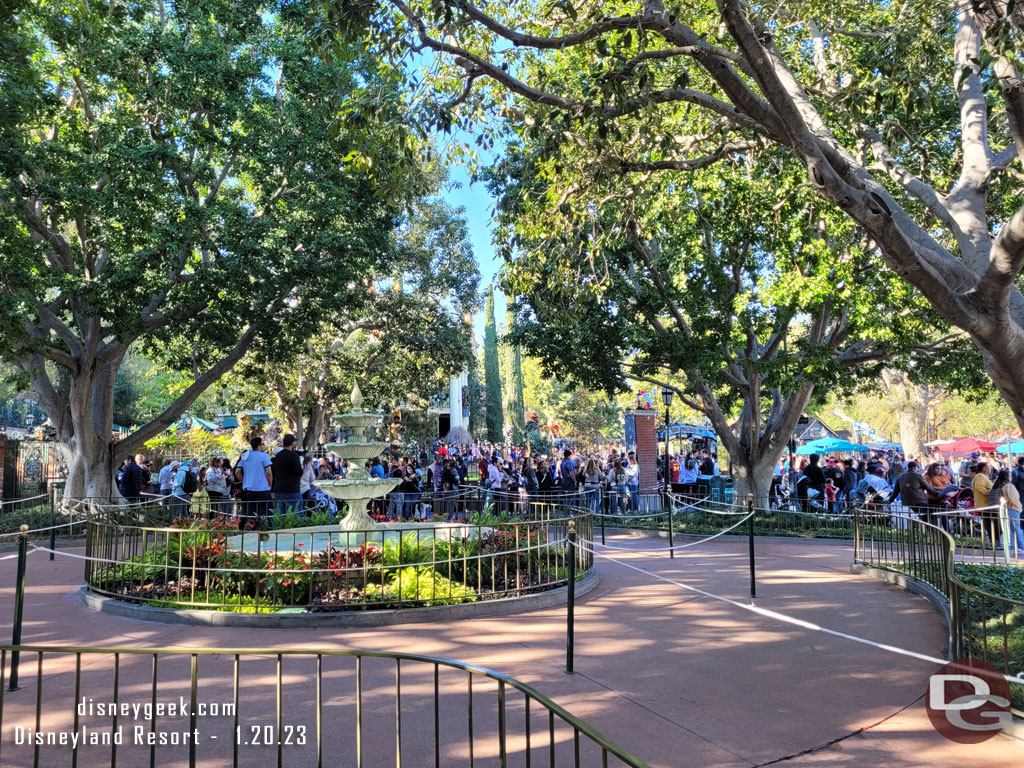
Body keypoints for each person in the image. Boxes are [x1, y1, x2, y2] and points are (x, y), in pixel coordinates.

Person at [235, 436, 273, 530]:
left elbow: (237, 471)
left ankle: (251, 530)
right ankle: (268, 530)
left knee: (251, 514)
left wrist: (244, 482)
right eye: (263, 444)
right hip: (263, 489)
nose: (264, 446)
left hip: (250, 489)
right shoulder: (264, 456)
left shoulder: (245, 456)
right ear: (259, 446)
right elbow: (269, 473)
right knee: (267, 513)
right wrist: (270, 484)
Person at [995, 469, 1024, 555]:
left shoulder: (1001, 486)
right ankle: (1020, 547)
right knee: (1016, 529)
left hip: (1008, 508)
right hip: (1013, 508)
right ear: (1006, 477)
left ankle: (1013, 547)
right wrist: (1019, 506)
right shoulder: (1009, 486)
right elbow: (1014, 498)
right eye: (1010, 475)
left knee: (1011, 529)